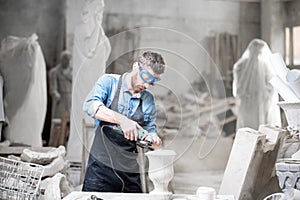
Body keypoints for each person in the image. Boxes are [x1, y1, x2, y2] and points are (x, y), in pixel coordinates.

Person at [82, 50, 166, 192]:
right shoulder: (109, 82)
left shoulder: (148, 99)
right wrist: (123, 121)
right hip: (101, 169)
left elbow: (150, 128)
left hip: (130, 171)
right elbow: (91, 105)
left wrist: (153, 138)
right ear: (135, 67)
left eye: (152, 82)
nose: (146, 86)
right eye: (146, 77)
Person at [49, 50, 72, 118]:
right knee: (59, 120)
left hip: (70, 98)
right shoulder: (55, 72)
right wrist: (56, 95)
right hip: (61, 98)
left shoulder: (73, 71)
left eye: (69, 60)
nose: (68, 62)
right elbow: (53, 88)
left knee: (70, 120)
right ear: (62, 60)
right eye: (66, 59)